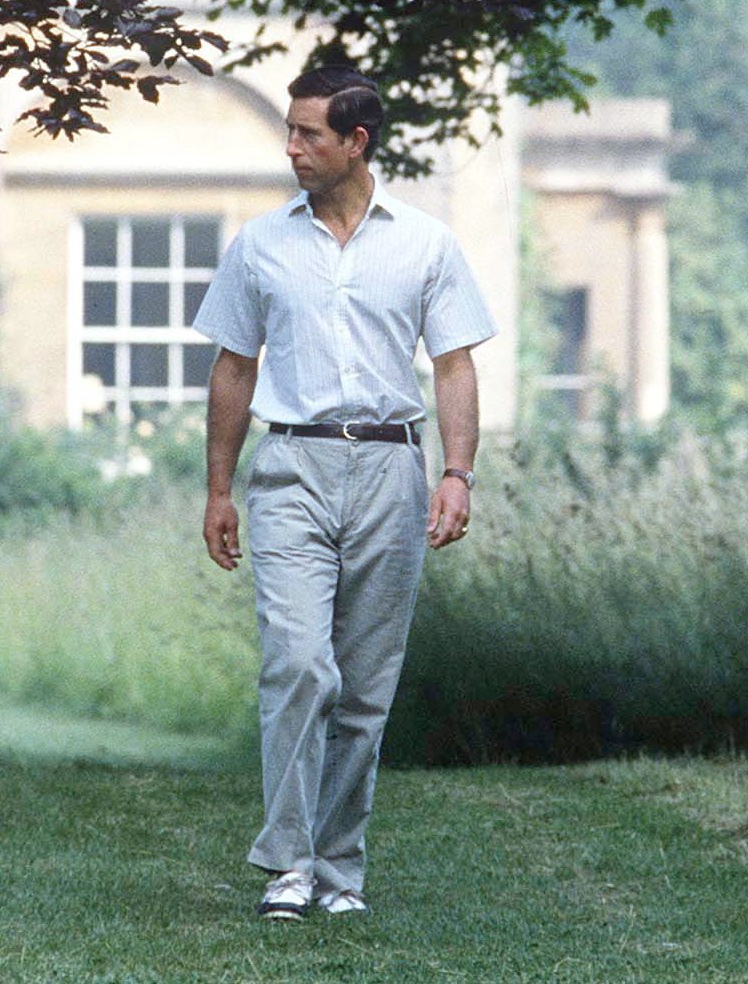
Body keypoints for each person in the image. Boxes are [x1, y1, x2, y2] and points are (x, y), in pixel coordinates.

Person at [194, 65, 497, 921]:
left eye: (308, 134)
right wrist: (219, 490)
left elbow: (454, 365)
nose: (291, 147)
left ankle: (339, 869)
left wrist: (456, 472)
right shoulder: (261, 244)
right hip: (290, 468)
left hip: (392, 472)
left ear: (356, 142)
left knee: (364, 687)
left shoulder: (426, 244)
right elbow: (233, 367)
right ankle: (288, 863)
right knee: (298, 664)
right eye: (289, 131)